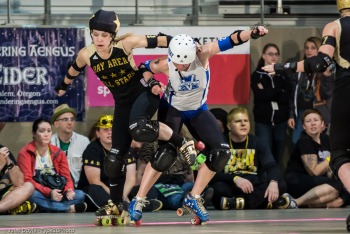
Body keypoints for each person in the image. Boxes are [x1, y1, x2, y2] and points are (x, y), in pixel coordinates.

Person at [54, 9, 197, 217]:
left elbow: (160, 40)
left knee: (139, 129)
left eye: (104, 35)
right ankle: (115, 204)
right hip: (122, 104)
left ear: (112, 36)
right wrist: (62, 87)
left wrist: (189, 46)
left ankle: (181, 142)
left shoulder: (125, 44)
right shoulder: (87, 54)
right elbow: (73, 69)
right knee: (113, 158)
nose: (99, 39)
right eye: (95, 34)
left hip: (144, 94)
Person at [129, 26, 268, 223]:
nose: (180, 67)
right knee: (166, 155)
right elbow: (143, 68)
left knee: (221, 152)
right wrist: (152, 84)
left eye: (184, 64)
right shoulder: (166, 63)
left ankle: (193, 198)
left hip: (198, 110)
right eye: (177, 63)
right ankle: (139, 199)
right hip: (172, 109)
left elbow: (232, 40)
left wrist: (253, 33)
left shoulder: (203, 54)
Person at [262, 0, 350, 222]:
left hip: (347, 91)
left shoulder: (335, 26)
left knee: (340, 156)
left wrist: (284, 67)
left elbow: (319, 63)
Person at [210, 107, 288, 210]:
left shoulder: (257, 142)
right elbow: (212, 173)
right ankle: (265, 203)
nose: (243, 124)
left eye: (246, 121)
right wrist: (235, 178)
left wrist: (273, 182)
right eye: (238, 121)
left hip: (253, 185)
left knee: (280, 184)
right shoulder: (221, 144)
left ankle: (236, 203)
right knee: (218, 189)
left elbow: (271, 165)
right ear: (229, 126)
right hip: (232, 185)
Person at [17, 118, 87, 213]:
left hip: (58, 191)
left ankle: (46, 207)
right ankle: (68, 208)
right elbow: (27, 180)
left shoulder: (58, 152)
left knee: (80, 194)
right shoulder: (25, 153)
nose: (46, 134)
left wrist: (68, 191)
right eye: (42, 131)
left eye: (49, 131)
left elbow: (67, 177)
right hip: (40, 191)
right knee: (31, 195)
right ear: (34, 134)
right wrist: (49, 192)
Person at [284, 109, 349, 208]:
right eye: (308, 121)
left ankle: (313, 204)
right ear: (304, 126)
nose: (313, 123)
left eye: (316, 120)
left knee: (344, 190)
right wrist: (332, 157)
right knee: (337, 186)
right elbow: (315, 171)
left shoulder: (326, 139)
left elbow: (330, 170)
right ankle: (296, 202)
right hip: (297, 180)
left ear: (322, 124)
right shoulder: (304, 141)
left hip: (318, 182)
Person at [77, 115, 137, 211]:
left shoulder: (127, 148)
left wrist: (123, 196)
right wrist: (117, 197)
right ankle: (120, 206)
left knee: (147, 189)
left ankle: (123, 205)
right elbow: (95, 181)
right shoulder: (92, 149)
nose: (110, 132)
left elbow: (131, 178)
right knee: (95, 189)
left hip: (121, 190)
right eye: (105, 130)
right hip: (100, 189)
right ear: (98, 133)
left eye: (113, 129)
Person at [288, 37, 334, 145]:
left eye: (313, 48)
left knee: (319, 144)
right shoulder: (299, 68)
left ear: (319, 50)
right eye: (307, 48)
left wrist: (326, 77)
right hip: (301, 113)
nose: (309, 50)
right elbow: (293, 95)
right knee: (296, 141)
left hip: (318, 112)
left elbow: (327, 94)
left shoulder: (325, 68)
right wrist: (291, 115)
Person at [251, 43, 291, 164]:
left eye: (276, 54)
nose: (273, 57)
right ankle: (265, 180)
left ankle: (276, 180)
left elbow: (286, 96)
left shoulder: (283, 74)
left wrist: (269, 91)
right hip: (263, 121)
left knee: (278, 155)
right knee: (265, 154)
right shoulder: (257, 75)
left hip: (281, 121)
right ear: (263, 55)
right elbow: (260, 95)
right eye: (270, 54)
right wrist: (278, 91)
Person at [51, 104, 90, 188]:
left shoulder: (84, 141)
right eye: (65, 119)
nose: (69, 122)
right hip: (55, 187)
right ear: (56, 124)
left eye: (72, 119)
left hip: (78, 187)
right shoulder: (48, 143)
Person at [0, 144, 36, 215]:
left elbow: (19, 183)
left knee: (29, 186)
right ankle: (9, 208)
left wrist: (8, 163)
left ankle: (2, 207)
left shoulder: (2, 150)